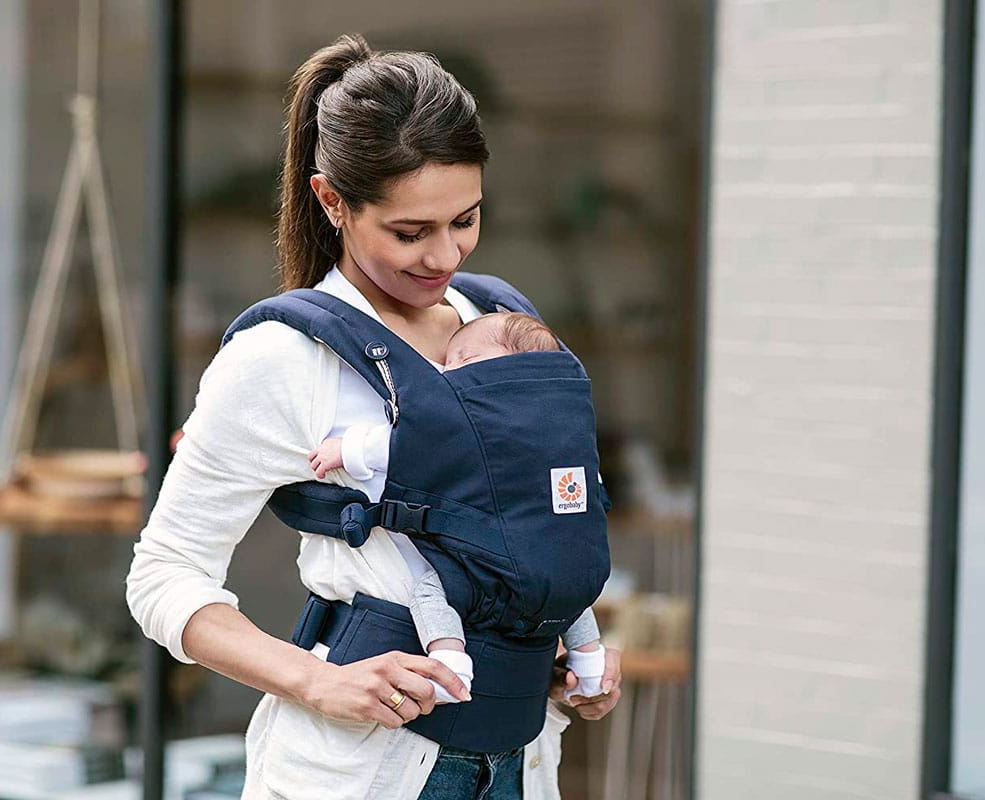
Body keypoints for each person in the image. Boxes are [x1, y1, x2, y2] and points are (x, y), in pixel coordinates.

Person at [126, 33, 621, 800]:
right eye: (409, 232)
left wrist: (566, 657)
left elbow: (528, 521)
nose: (445, 255)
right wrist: (315, 682)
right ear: (332, 201)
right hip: (363, 769)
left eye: (466, 219)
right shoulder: (283, 357)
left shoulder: (502, 324)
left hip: (522, 761)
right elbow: (163, 576)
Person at [307, 311, 609, 706]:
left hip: (491, 570)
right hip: (573, 567)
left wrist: (345, 450)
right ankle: (591, 668)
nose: (448, 371)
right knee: (570, 598)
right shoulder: (567, 419)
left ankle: (449, 661)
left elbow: (410, 443)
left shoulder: (475, 413)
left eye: (459, 361)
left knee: (433, 592)